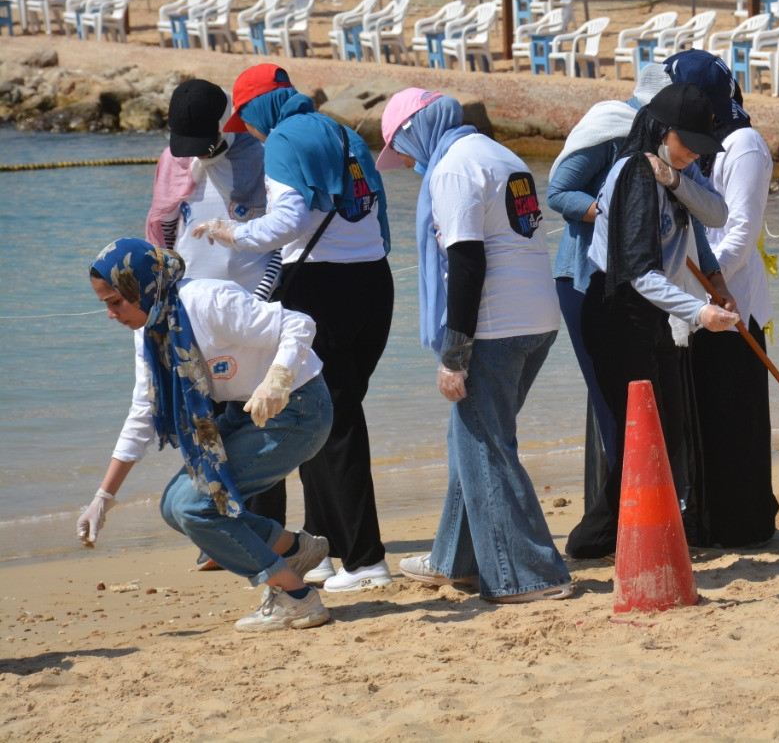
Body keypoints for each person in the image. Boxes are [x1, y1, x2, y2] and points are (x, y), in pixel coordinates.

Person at [192, 64, 395, 592]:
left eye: (247, 119)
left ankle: (365, 561)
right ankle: (322, 548)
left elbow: (286, 223)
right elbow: (380, 212)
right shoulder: (344, 132)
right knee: (326, 417)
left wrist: (228, 233)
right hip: (375, 284)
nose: (249, 131)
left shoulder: (283, 138)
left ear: (262, 107)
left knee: (335, 427)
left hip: (322, 288)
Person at [79, 238, 333, 633]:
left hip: (298, 410)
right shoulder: (150, 328)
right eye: (105, 304)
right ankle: (294, 548)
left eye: (115, 302)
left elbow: (299, 323)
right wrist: (103, 497)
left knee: (196, 508)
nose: (111, 314)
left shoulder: (208, 300)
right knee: (173, 506)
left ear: (140, 287)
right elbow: (143, 411)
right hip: (244, 412)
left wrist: (278, 381)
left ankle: (297, 598)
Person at [377, 88, 572, 602]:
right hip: (537, 319)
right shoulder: (498, 154)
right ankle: (455, 559)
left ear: (415, 130)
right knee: (468, 438)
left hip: (497, 326)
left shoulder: (454, 169)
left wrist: (454, 356)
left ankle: (530, 575)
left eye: (403, 146)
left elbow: (467, 264)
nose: (409, 159)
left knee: (486, 448)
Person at [564, 82, 740, 561]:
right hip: (616, 310)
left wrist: (678, 180)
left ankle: (623, 531)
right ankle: (600, 537)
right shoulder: (633, 176)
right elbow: (637, 271)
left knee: (666, 428)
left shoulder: (671, 171)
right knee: (637, 432)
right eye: (688, 146)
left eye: (702, 150)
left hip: (653, 315)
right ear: (663, 130)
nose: (693, 157)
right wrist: (700, 311)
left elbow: (717, 212)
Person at [144, 79, 288, 567]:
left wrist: (259, 299)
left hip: (247, 303)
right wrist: (166, 289)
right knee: (201, 419)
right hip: (190, 309)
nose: (193, 155)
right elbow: (164, 225)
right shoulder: (173, 159)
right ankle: (219, 527)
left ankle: (264, 536)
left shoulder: (259, 157)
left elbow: (277, 240)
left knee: (257, 424)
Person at [665, 51, 779, 548]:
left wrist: (712, 282)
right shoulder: (699, 145)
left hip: (734, 303)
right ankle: (708, 520)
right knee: (704, 417)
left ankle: (745, 522)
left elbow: (739, 230)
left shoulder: (743, 146)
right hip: (699, 301)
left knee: (736, 416)